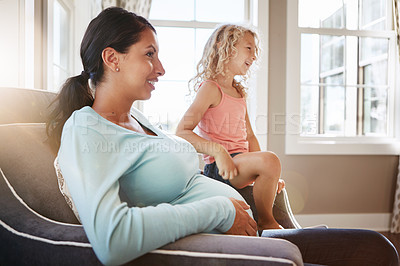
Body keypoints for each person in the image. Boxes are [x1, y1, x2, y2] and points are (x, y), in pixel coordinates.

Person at [46, 7, 398, 266]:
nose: (162, 68)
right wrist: (219, 210)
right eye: (149, 54)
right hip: (226, 246)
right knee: (373, 254)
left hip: (250, 232)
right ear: (112, 58)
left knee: (378, 249)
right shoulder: (86, 128)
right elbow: (113, 240)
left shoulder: (141, 122)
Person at [176, 24, 284, 230]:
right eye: (249, 48)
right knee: (271, 160)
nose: (254, 56)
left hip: (240, 164)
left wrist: (268, 174)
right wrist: (218, 151)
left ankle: (271, 217)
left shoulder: (238, 92)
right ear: (225, 47)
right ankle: (266, 222)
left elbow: (250, 136)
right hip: (220, 168)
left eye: (256, 50)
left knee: (270, 162)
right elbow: (182, 131)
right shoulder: (210, 88)